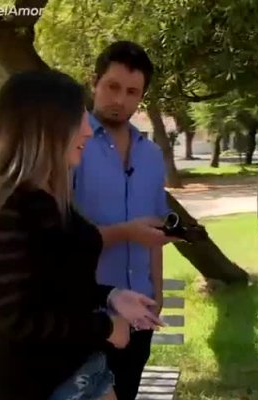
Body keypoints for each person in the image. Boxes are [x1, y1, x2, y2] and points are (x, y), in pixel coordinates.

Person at [0, 70, 166, 400]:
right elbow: (19, 321)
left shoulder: (50, 197)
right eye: (78, 120)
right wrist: (104, 327)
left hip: (83, 374)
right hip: (32, 387)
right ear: (44, 129)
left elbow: (57, 285)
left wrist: (111, 296)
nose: (87, 130)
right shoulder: (6, 207)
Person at [72, 40, 174, 400]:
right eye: (112, 86)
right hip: (86, 314)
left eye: (132, 92)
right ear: (94, 82)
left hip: (140, 313)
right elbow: (58, 237)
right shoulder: (71, 145)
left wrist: (157, 294)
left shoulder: (152, 155)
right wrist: (126, 232)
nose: (120, 99)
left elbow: (155, 232)